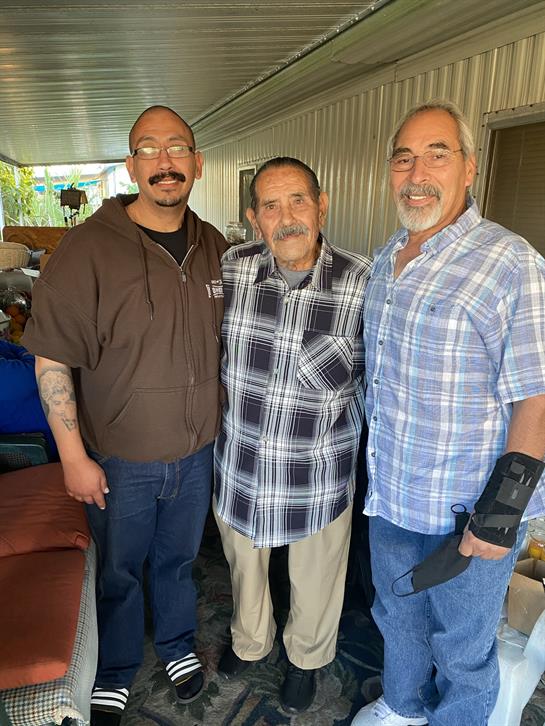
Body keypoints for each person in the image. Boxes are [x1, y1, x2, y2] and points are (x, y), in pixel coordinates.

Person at [22, 105, 228, 726]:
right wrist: (72, 458)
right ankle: (115, 668)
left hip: (196, 454)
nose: (165, 161)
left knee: (177, 562)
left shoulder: (215, 246)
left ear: (197, 163)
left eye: (177, 147)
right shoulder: (87, 249)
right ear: (131, 165)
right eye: (149, 149)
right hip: (118, 459)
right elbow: (52, 359)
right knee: (118, 570)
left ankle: (176, 645)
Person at [352, 99, 545, 726]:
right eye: (404, 158)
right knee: (397, 617)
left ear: (469, 166)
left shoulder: (510, 263)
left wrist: (500, 516)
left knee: (463, 646)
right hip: (392, 495)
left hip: (468, 508)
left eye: (437, 154)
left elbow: (537, 395)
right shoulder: (386, 259)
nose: (417, 174)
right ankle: (403, 707)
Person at [214, 157, 371, 713]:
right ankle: (250, 642)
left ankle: (305, 658)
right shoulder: (233, 270)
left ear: (322, 205)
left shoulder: (364, 281)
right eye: (271, 206)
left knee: (318, 576)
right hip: (242, 462)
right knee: (245, 570)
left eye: (298, 200)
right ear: (254, 218)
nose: (286, 218)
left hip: (318, 471)